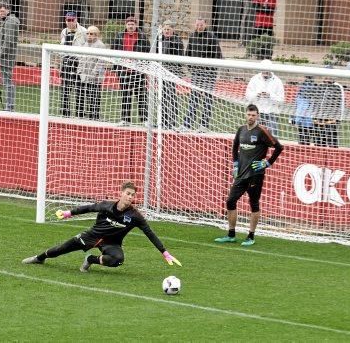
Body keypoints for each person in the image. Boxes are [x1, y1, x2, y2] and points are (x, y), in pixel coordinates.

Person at [22, 181, 182, 272]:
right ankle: (39, 258)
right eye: (128, 193)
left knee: (118, 260)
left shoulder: (135, 216)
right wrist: (68, 213)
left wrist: (164, 252)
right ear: (121, 193)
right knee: (60, 249)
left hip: (111, 244)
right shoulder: (106, 206)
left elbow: (150, 233)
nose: (130, 197)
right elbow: (88, 208)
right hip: (91, 236)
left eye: (133, 195)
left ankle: (90, 260)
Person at [215, 104, 283, 246]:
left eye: (253, 115)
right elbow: (234, 147)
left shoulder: (262, 131)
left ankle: (251, 236)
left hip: (255, 174)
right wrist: (235, 165)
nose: (250, 117)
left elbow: (279, 147)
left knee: (253, 204)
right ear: (245, 115)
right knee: (230, 201)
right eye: (248, 114)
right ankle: (231, 234)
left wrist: (268, 163)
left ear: (257, 115)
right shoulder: (241, 130)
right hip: (241, 174)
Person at [183, 18, 223, 131]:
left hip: (209, 74)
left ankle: (204, 125)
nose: (199, 27)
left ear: (205, 25)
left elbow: (218, 55)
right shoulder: (192, 36)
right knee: (193, 99)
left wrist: (211, 71)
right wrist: (191, 69)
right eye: (197, 25)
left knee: (207, 100)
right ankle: (187, 124)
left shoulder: (211, 37)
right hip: (196, 73)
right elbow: (188, 54)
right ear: (194, 25)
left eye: (201, 25)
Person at [111, 16, 151, 126]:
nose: (131, 26)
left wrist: (145, 69)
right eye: (129, 24)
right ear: (126, 25)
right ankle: (125, 119)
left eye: (133, 24)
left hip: (138, 71)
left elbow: (148, 53)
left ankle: (144, 120)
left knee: (141, 96)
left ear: (136, 25)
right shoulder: (119, 36)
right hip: (124, 71)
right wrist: (116, 69)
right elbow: (113, 51)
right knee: (125, 95)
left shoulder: (142, 37)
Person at [245, 59, 285, 137]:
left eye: (267, 70)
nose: (265, 72)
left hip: (272, 113)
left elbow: (281, 100)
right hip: (257, 113)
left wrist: (270, 96)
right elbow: (248, 96)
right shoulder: (254, 79)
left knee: (272, 137)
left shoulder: (277, 81)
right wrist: (257, 94)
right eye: (263, 70)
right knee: (255, 136)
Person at [156, 20, 184, 130]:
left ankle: (172, 121)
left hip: (172, 73)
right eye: (165, 29)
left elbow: (179, 57)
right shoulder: (160, 40)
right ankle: (162, 120)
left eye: (169, 29)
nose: (166, 31)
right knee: (162, 96)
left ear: (173, 30)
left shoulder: (177, 41)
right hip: (161, 72)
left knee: (171, 97)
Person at [59, 11, 87, 117]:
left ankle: (79, 113)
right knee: (65, 88)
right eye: (67, 20)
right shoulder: (64, 32)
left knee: (79, 88)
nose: (70, 22)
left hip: (78, 62)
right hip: (67, 61)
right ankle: (65, 112)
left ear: (76, 20)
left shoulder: (84, 31)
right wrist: (60, 66)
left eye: (72, 20)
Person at [76, 26, 107, 120]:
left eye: (91, 34)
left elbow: (101, 62)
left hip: (95, 77)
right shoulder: (85, 44)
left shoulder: (101, 46)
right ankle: (80, 115)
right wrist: (80, 71)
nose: (89, 35)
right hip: (84, 75)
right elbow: (81, 59)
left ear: (96, 35)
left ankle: (94, 116)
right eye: (88, 33)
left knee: (94, 97)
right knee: (81, 95)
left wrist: (93, 74)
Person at [0, 4, 20, 111]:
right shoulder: (7, 21)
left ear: (8, 11)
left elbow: (8, 42)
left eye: (2, 11)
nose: (1, 13)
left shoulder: (10, 22)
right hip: (6, 56)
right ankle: (9, 106)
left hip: (7, 57)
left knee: (7, 82)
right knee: (6, 81)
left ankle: (9, 107)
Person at [312, 77, 345, 148]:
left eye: (329, 77)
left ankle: (333, 156)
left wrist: (337, 118)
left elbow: (340, 103)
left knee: (331, 140)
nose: (326, 79)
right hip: (319, 118)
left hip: (331, 119)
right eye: (325, 77)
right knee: (319, 141)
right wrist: (314, 117)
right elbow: (315, 102)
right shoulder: (320, 86)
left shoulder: (337, 87)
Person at [293, 76, 316, 145]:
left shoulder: (302, 96)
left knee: (303, 138)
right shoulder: (302, 95)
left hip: (306, 120)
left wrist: (296, 120)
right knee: (305, 138)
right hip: (308, 121)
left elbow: (299, 108)